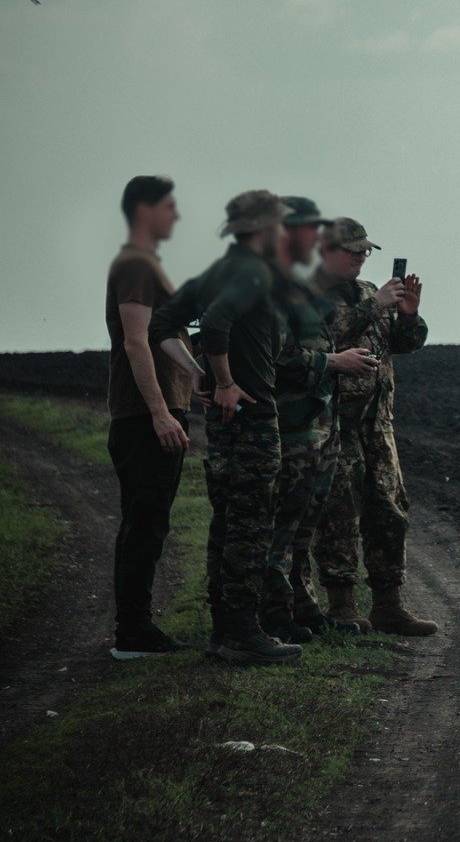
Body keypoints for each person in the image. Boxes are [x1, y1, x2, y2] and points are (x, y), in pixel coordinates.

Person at [150, 190, 325, 666]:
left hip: (225, 428)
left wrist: (196, 374)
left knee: (226, 525)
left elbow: (163, 325)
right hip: (251, 421)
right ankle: (242, 634)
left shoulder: (213, 273)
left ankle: (226, 631)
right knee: (250, 527)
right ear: (267, 229)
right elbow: (217, 320)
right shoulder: (254, 270)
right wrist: (222, 381)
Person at [311, 218, 435, 636]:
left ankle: (388, 603)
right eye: (354, 251)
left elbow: (402, 345)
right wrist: (376, 305)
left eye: (366, 251)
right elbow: (323, 338)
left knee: (389, 508)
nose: (361, 258)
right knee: (338, 514)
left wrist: (408, 315)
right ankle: (341, 605)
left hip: (377, 423)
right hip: (332, 424)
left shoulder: (369, 293)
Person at [264, 197, 376, 642]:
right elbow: (277, 356)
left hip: (319, 425)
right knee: (282, 526)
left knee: (302, 527)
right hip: (292, 424)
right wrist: (332, 362)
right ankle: (274, 615)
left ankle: (302, 606)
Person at [105, 175, 194, 658]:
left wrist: (199, 377)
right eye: (169, 205)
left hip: (148, 412)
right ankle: (133, 634)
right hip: (143, 416)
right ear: (144, 210)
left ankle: (134, 629)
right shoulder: (137, 264)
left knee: (145, 521)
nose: (175, 214)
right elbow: (135, 340)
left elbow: (163, 335)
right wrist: (161, 413)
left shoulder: (146, 265)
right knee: (146, 523)